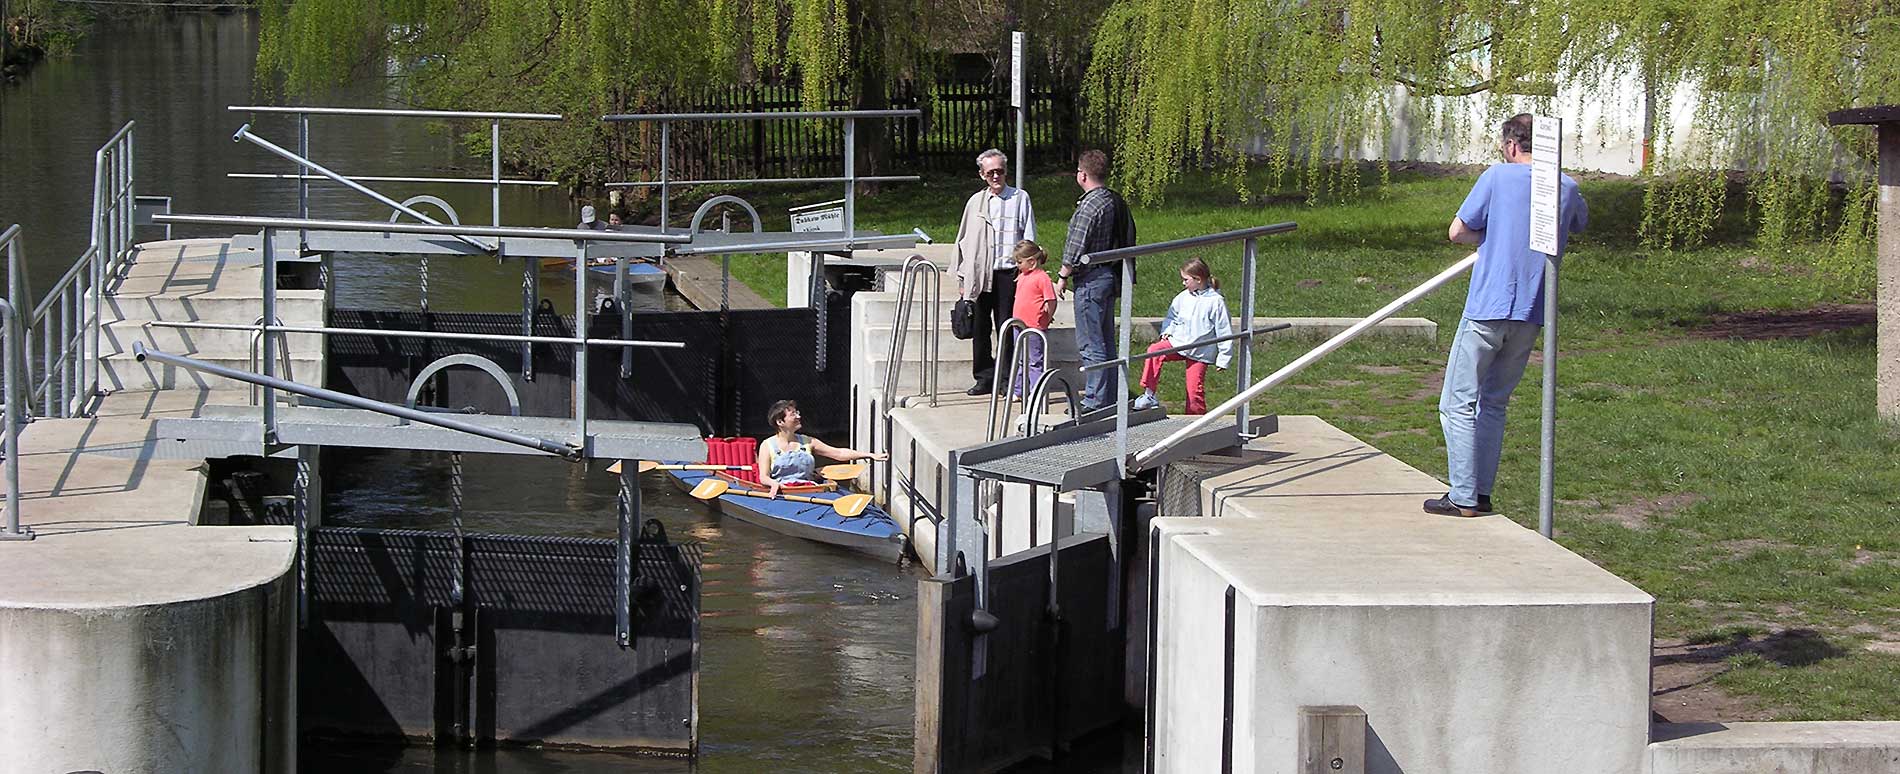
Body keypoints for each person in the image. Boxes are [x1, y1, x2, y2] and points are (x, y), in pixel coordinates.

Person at [1427, 113, 1589, 518]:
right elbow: (1579, 223)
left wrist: (1494, 234)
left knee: (1456, 402)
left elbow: (1458, 232)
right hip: (1532, 311)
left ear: (1512, 145)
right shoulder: (1565, 187)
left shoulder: (1497, 177)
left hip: (1488, 306)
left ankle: (1463, 495)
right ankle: (1480, 493)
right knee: (1494, 402)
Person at [1056, 149, 1137, 411]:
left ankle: (1094, 401)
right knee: (1106, 341)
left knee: (1091, 343)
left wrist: (1062, 276)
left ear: (1082, 175)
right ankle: (1111, 396)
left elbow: (1076, 245)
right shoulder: (1114, 200)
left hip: (1090, 280)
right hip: (1110, 276)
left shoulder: (1089, 205)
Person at [952, 149, 1036, 395]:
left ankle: (1006, 378)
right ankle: (984, 377)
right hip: (981, 273)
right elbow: (964, 241)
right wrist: (962, 278)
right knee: (979, 328)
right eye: (990, 173)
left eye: (999, 171)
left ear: (1006, 171)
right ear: (982, 175)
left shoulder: (1020, 198)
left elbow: (1029, 235)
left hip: (1009, 273)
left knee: (1006, 327)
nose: (996, 176)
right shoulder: (975, 202)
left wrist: (1028, 271)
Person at [1132, 258, 1231, 415]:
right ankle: (1149, 395)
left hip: (1200, 351)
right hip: (1178, 343)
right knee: (1154, 351)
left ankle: (1196, 421)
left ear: (1198, 279)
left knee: (1194, 391)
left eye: (1186, 280)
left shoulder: (1216, 302)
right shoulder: (1183, 297)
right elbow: (1172, 316)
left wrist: (1224, 357)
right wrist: (1167, 331)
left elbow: (1224, 330)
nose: (1183, 283)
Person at [756, 399, 887, 498]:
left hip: (809, 489)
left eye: (797, 412)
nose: (798, 416)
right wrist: (774, 484)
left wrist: (869, 455)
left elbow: (839, 453)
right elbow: (764, 477)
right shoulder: (767, 446)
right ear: (780, 422)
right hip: (784, 492)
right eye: (793, 414)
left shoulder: (808, 442)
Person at [1008, 240, 1058, 399]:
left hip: (1034, 325)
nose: (1017, 265)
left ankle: (1037, 392)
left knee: (1035, 361)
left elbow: (1051, 300)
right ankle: (1019, 390)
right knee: (1020, 359)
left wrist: (1048, 316)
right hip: (1019, 324)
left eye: (1020, 262)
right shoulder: (1022, 276)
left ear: (1032, 261)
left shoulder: (1042, 278)